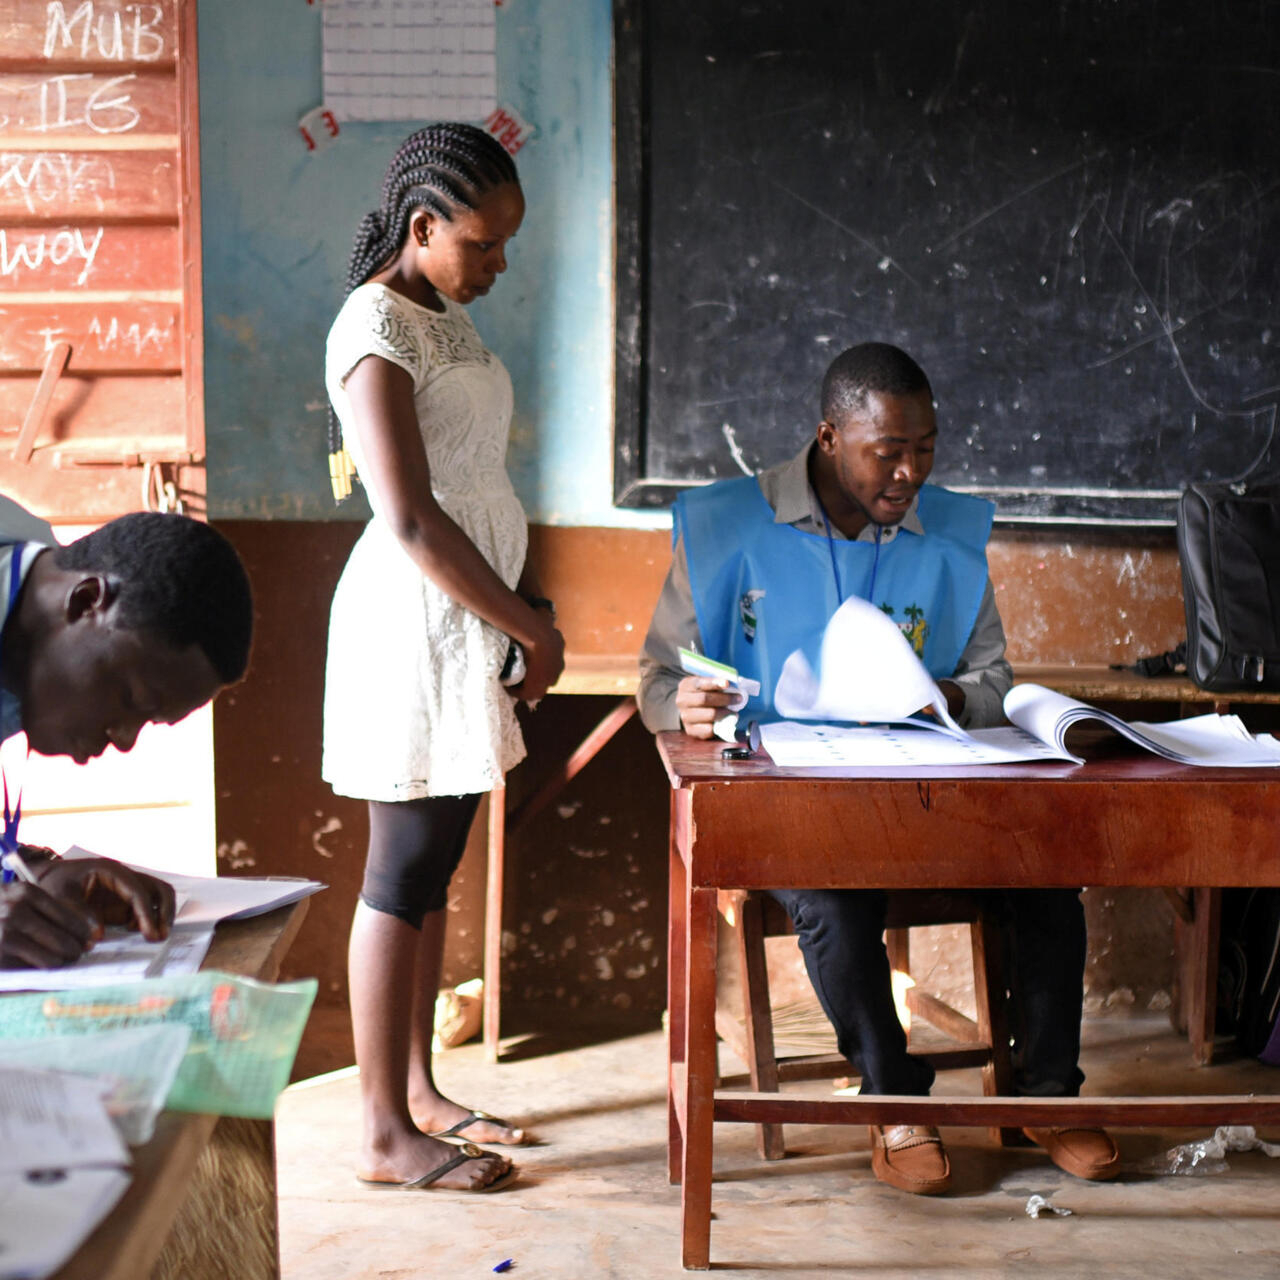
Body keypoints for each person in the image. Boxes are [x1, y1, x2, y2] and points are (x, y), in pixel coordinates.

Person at [637, 342, 1119, 1195]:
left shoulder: (950, 534)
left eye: (925, 447)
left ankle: (1049, 1096)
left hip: (929, 788)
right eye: (886, 451)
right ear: (829, 437)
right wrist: (688, 707)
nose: (909, 471)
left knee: (1048, 880)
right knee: (830, 899)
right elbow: (660, 679)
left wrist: (943, 694)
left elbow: (992, 680)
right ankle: (894, 1098)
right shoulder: (727, 528)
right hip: (796, 801)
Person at [322, 123, 565, 1194]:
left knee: (432, 870)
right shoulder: (373, 326)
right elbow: (411, 518)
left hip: (468, 621)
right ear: (422, 227)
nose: (499, 262)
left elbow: (471, 483)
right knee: (398, 871)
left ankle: (417, 1090)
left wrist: (518, 610)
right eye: (485, 242)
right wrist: (525, 622)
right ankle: (381, 1130)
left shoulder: (441, 315)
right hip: (411, 625)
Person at [0, 493, 253, 969]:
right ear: (86, 601)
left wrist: (33, 874)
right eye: (130, 700)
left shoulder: (21, 629)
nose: (124, 739)